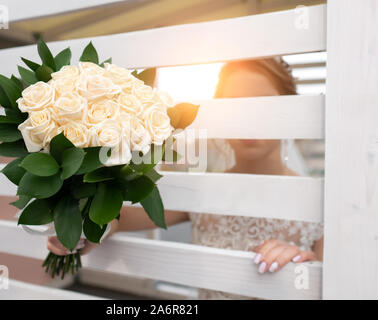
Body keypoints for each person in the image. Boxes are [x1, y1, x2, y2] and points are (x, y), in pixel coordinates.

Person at [47, 57, 324, 299]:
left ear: (292, 108)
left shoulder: (320, 202)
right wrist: (78, 233)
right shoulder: (201, 190)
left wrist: (310, 273)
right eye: (234, 105)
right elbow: (114, 219)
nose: (249, 117)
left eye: (263, 103)